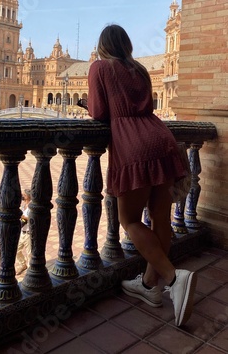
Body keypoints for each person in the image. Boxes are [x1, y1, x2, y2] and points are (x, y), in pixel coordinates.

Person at [87, 24, 197, 327]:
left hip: (132, 144)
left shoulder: (99, 67)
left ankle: (176, 278)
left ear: (102, 46)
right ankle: (150, 286)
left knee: (130, 220)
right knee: (160, 218)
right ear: (127, 45)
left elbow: (98, 113)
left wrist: (89, 106)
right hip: (160, 138)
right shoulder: (140, 70)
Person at [16, 189, 31, 276]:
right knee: (16, 250)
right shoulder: (23, 206)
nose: (22, 196)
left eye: (24, 195)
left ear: (28, 196)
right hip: (22, 232)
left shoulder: (31, 207)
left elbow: (28, 218)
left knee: (30, 254)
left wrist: (20, 216)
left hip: (29, 234)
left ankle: (30, 271)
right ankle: (23, 264)